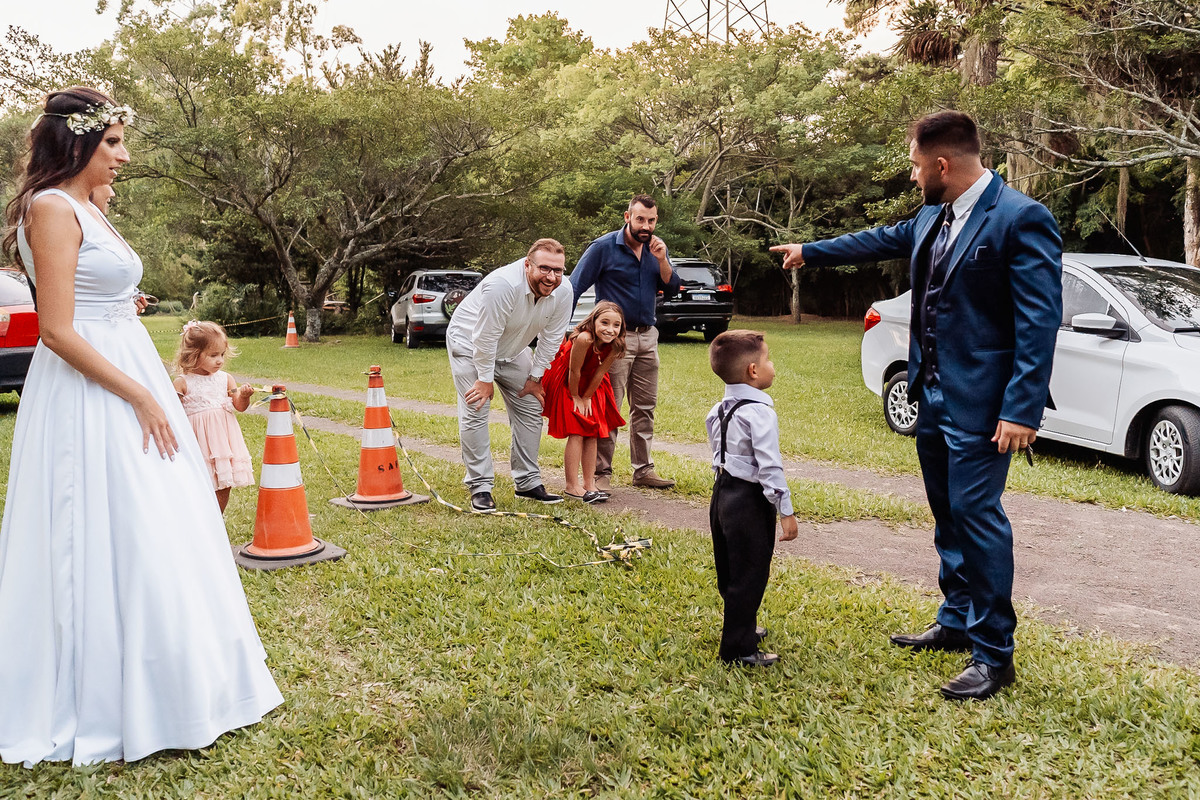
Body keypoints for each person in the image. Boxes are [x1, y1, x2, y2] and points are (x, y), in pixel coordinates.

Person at [0, 87, 282, 767]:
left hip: (128, 369)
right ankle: (101, 693)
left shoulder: (86, 206)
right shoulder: (50, 208)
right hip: (91, 391)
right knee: (110, 519)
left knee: (161, 515)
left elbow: (105, 298)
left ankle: (177, 679)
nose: (124, 156)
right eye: (113, 143)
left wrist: (138, 347)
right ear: (77, 143)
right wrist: (142, 397)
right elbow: (58, 330)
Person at [771, 110, 1062, 700]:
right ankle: (956, 620)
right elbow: (878, 239)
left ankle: (994, 654)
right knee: (946, 512)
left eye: (914, 165)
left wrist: (1022, 409)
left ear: (942, 164)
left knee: (977, 516)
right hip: (929, 393)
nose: (911, 176)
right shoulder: (934, 213)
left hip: (984, 405)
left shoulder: (1020, 218)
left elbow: (1039, 322)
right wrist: (809, 250)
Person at [445, 238, 575, 512]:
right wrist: (484, 379)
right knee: (476, 407)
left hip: (513, 349)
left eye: (558, 270)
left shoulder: (564, 290)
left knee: (531, 404)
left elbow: (552, 337)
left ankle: (527, 483)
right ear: (527, 265)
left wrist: (535, 377)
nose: (551, 277)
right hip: (470, 344)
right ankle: (480, 487)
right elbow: (485, 337)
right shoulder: (503, 285)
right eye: (544, 269)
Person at [570, 194, 682, 492]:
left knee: (645, 406)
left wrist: (662, 259)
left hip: (648, 335)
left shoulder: (656, 249)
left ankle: (643, 470)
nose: (646, 226)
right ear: (627, 217)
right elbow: (574, 287)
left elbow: (672, 287)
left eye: (651, 220)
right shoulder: (603, 247)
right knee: (609, 405)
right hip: (614, 340)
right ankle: (601, 473)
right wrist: (567, 331)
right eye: (640, 219)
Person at [705, 330, 798, 667]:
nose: (772, 366)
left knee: (730, 569)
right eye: (768, 359)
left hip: (722, 494)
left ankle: (742, 625)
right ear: (753, 371)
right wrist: (785, 510)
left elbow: (718, 451)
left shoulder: (718, 409)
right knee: (751, 572)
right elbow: (769, 467)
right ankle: (738, 650)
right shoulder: (759, 413)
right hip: (748, 501)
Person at [541, 300, 628, 503]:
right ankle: (572, 486)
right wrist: (576, 397)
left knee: (592, 431)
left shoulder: (616, 344)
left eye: (616, 325)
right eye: (604, 323)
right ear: (593, 321)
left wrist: (587, 396)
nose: (610, 329)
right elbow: (574, 370)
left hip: (592, 384)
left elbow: (600, 372)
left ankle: (589, 484)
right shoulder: (584, 338)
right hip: (568, 381)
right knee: (577, 431)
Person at [173, 320, 256, 513]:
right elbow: (173, 415)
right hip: (197, 444)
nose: (220, 360)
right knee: (197, 485)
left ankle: (217, 521)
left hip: (223, 445)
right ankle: (196, 520)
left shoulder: (226, 379)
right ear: (194, 354)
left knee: (223, 485)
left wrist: (244, 396)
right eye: (213, 355)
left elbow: (239, 406)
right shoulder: (182, 383)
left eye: (222, 354)